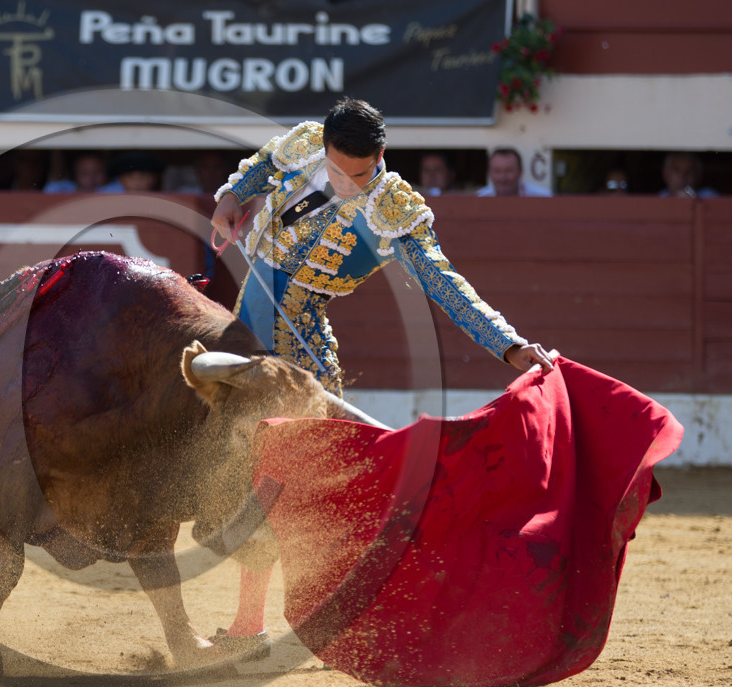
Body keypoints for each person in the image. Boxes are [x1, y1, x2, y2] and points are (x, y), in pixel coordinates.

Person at [209, 97, 556, 656]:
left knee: (286, 493)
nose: (350, 185)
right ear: (323, 147)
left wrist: (508, 345)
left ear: (382, 155)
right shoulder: (302, 144)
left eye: (363, 174)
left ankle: (305, 619)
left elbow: (445, 284)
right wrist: (230, 199)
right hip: (244, 330)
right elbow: (257, 171)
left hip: (297, 354)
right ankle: (262, 622)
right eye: (340, 171)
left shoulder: (393, 211)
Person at [477, 148, 552, 197]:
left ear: (520, 172)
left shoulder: (542, 197)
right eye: (497, 171)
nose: (502, 177)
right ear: (489, 173)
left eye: (508, 171)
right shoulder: (479, 198)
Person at [43, 151, 108, 193]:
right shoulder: (61, 190)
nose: (92, 177)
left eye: (97, 172)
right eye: (85, 173)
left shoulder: (112, 192)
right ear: (75, 175)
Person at [99, 151, 164, 193]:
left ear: (152, 179)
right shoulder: (107, 198)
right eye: (130, 177)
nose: (137, 183)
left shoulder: (164, 201)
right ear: (120, 180)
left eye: (143, 176)